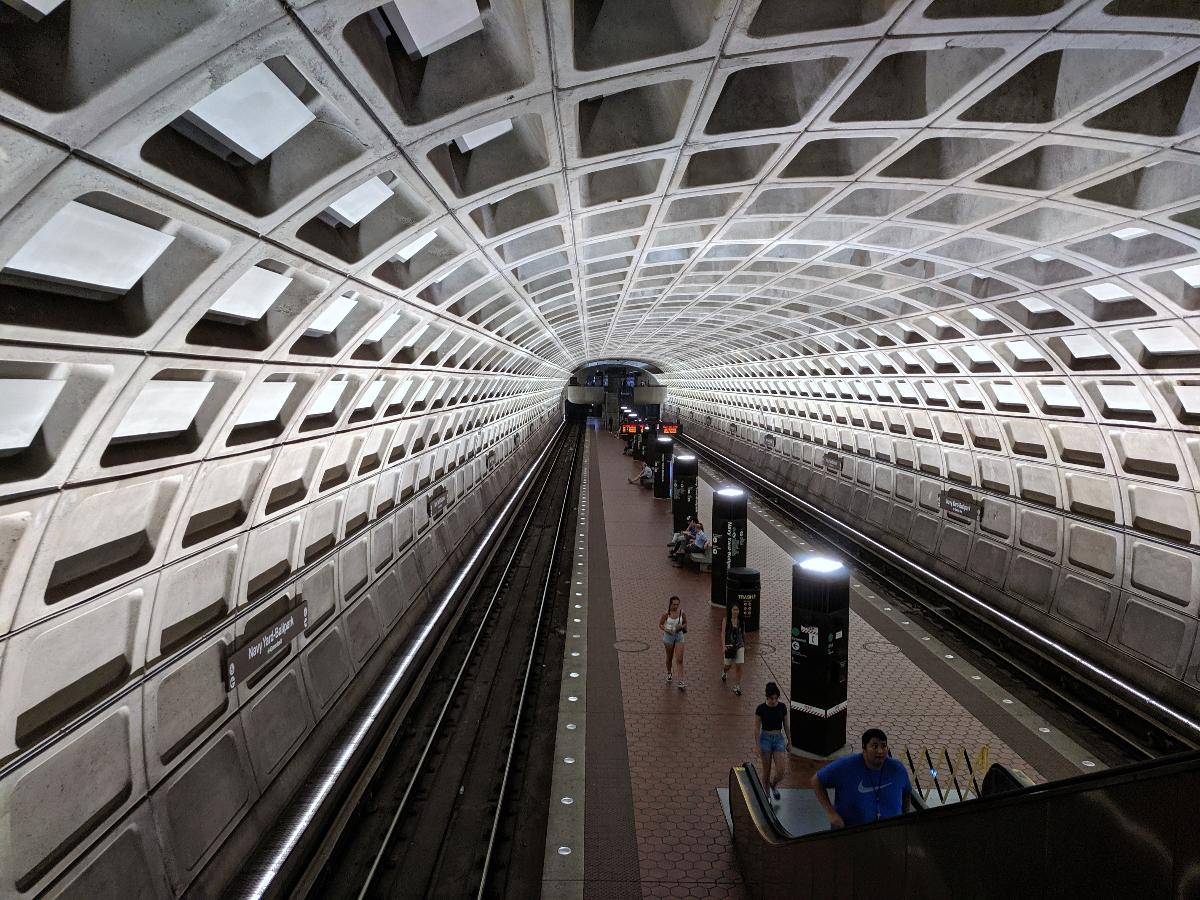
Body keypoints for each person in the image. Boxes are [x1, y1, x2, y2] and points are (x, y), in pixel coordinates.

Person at [811, 728, 912, 828]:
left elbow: (907, 793)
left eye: (883, 746)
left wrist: (903, 819)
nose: (880, 751)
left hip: (889, 834)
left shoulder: (898, 769)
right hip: (851, 834)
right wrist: (831, 813)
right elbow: (817, 780)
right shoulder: (845, 766)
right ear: (864, 748)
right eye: (874, 746)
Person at [755, 682, 791, 804]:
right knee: (767, 770)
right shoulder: (760, 709)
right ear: (767, 696)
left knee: (781, 771)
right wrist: (757, 745)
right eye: (771, 698)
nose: (774, 701)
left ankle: (774, 785)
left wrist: (790, 741)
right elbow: (756, 729)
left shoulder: (782, 707)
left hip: (779, 738)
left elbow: (786, 725)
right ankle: (767, 795)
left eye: (776, 698)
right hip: (765, 738)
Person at [658, 595, 687, 689]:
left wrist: (681, 627)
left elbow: (685, 623)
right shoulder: (666, 613)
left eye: (677, 604)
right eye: (674, 604)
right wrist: (666, 629)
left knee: (679, 659)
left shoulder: (682, 612)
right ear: (670, 603)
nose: (676, 606)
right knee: (669, 657)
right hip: (668, 637)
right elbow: (660, 624)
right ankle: (669, 673)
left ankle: (681, 680)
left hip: (679, 636)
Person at [721, 603, 746, 695]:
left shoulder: (741, 621)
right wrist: (723, 646)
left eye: (737, 610)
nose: (736, 612)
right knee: (728, 665)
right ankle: (724, 672)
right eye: (734, 610)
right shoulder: (726, 620)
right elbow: (723, 633)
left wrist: (745, 644)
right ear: (730, 610)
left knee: (739, 665)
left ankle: (737, 686)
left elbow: (743, 633)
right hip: (729, 646)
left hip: (739, 645)